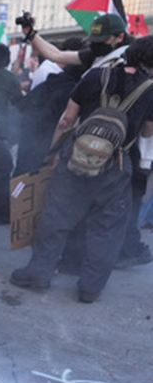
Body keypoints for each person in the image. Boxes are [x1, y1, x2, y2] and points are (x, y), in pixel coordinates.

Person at [10, 36, 153, 303]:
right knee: (106, 229)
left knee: (56, 218)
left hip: (74, 159)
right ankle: (90, 288)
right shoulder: (149, 90)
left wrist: (52, 153)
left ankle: (38, 274)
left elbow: (67, 120)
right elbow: (147, 132)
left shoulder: (95, 76)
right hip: (116, 167)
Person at [20, 13, 130, 70]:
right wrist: (31, 34)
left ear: (120, 37)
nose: (97, 45)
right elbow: (57, 55)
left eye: (102, 40)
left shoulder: (131, 58)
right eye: (95, 40)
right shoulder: (94, 54)